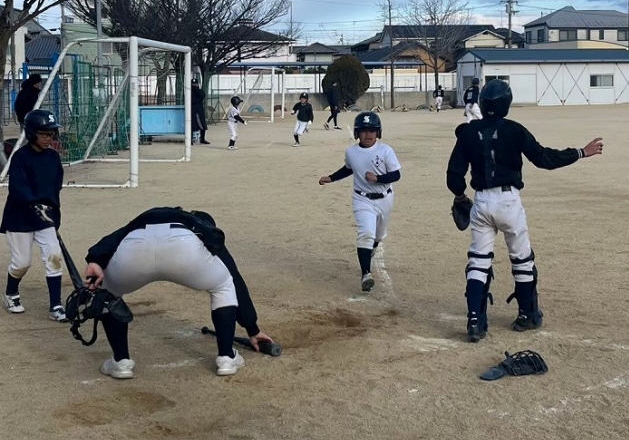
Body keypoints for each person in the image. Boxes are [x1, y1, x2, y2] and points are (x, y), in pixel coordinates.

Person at [446, 79, 603, 342]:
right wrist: (580, 152)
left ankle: (475, 321)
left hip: (482, 202)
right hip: (509, 202)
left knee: (478, 261)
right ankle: (527, 315)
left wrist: (460, 195)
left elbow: (453, 175)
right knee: (522, 259)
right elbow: (543, 158)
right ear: (506, 104)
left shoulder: (467, 132)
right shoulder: (514, 130)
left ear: (482, 103)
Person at [83, 207, 273, 379]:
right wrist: (252, 329)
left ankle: (120, 362)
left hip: (135, 245)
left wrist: (94, 261)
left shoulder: (149, 216)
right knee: (224, 284)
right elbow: (234, 276)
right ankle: (227, 358)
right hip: (182, 246)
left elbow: (112, 239)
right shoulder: (201, 226)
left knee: (107, 292)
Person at [319, 111, 401, 293]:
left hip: (385, 198)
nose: (368, 134)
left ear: (378, 132)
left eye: (372, 130)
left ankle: (373, 247)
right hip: (362, 199)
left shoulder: (385, 150)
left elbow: (396, 175)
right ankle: (366, 274)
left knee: (378, 235)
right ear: (357, 133)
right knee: (366, 233)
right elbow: (349, 168)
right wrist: (331, 178)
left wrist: (378, 178)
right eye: (363, 131)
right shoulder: (351, 152)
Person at [1, 109, 68, 322]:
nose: (49, 138)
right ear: (31, 134)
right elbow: (18, 188)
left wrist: (53, 215)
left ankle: (56, 305)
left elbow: (55, 188)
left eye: (52, 134)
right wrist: (33, 202)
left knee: (54, 256)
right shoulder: (20, 157)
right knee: (22, 263)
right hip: (20, 217)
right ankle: (11, 292)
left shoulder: (53, 158)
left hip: (45, 218)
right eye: (44, 134)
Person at [191, 78, 210, 144]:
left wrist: (196, 89)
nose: (194, 85)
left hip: (199, 111)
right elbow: (192, 100)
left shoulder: (199, 91)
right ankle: (190, 140)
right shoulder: (190, 92)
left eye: (195, 84)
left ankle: (202, 139)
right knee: (191, 125)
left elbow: (202, 96)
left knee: (202, 125)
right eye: (193, 84)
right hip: (192, 111)